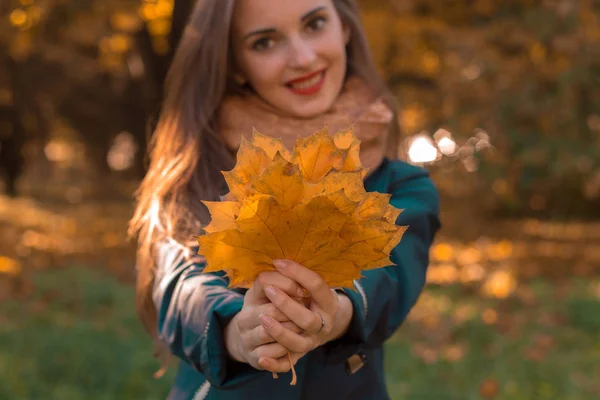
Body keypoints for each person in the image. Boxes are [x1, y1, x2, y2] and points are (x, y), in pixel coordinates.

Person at [128, 0, 441, 399]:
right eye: (265, 43)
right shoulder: (202, 169)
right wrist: (236, 330)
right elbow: (181, 284)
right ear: (235, 62)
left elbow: (391, 277)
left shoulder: (401, 185)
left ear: (344, 27)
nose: (303, 58)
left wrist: (337, 310)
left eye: (315, 24)